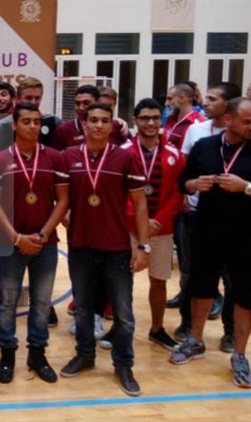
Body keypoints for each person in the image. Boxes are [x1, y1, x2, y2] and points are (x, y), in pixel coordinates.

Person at [59, 102, 150, 397]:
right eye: (93, 120)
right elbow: (60, 197)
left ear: (112, 125)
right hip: (81, 245)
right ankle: (85, 354)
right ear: (84, 124)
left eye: (104, 120)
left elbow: (139, 204)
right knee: (83, 308)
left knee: (123, 313)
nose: (98, 125)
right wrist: (64, 213)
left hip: (117, 248)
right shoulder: (69, 156)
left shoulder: (125, 157)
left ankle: (123, 364)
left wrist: (143, 245)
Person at [170, 97, 251, 390]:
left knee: (244, 296)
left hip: (246, 236)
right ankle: (195, 340)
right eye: (247, 121)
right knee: (201, 288)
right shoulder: (205, 146)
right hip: (206, 230)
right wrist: (193, 185)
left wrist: (246, 187)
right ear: (228, 120)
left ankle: (240, 354)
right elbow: (183, 180)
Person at [0, 103, 69, 384]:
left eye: (36, 121)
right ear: (14, 125)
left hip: (46, 243)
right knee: (7, 302)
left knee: (42, 303)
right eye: (26, 121)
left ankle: (37, 353)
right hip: (9, 244)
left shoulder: (55, 157)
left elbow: (64, 200)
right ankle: (7, 353)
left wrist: (43, 235)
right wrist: (16, 238)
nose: (33, 126)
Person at [119, 98, 185, 351]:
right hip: (128, 229)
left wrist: (159, 221)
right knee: (122, 282)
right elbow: (118, 193)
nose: (150, 123)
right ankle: (120, 329)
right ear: (135, 120)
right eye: (145, 118)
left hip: (161, 228)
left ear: (161, 120)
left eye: (155, 118)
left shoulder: (174, 154)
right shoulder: (123, 152)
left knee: (159, 281)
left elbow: (177, 194)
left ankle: (157, 329)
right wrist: (140, 221)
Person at [0, 76, 61, 153]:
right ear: (18, 99)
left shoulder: (53, 121)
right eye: (28, 98)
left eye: (37, 98)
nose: (33, 102)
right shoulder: (4, 125)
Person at [52, 85, 127, 151]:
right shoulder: (64, 129)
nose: (81, 108)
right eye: (77, 103)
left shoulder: (117, 126)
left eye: (86, 103)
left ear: (98, 102)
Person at [163, 83, 205, 149]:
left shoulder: (196, 123)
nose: (166, 103)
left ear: (182, 99)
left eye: (170, 99)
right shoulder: (171, 118)